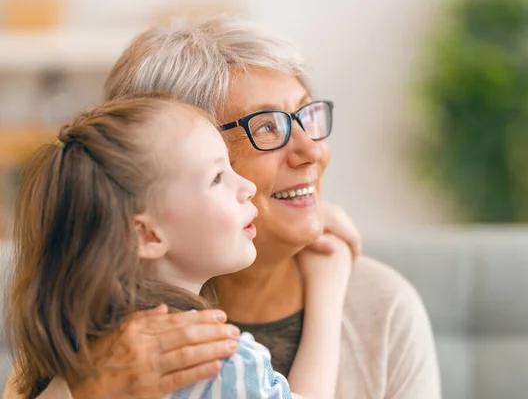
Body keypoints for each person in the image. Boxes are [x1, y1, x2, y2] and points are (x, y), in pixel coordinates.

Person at [4, 14, 441, 399]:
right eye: (266, 127)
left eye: (306, 116)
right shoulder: (90, 318)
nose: (312, 151)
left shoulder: (381, 307)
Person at [5, 95, 351, 399]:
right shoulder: (214, 356)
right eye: (218, 177)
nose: (245, 186)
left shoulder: (64, 343)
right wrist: (329, 285)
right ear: (148, 235)